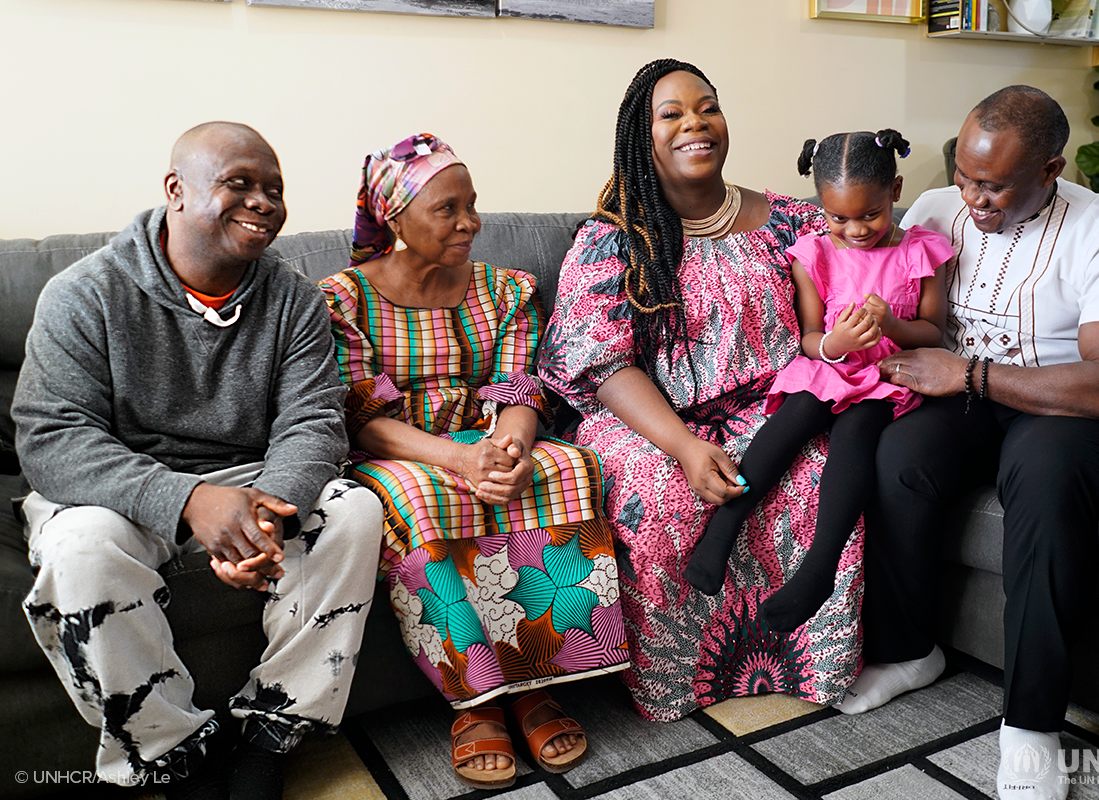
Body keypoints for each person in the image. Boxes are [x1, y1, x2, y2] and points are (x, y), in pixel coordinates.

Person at [13, 122, 384, 800]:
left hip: (250, 479)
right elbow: (51, 437)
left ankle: (274, 728)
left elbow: (313, 421)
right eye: (239, 183)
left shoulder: (294, 298)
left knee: (353, 510)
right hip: (115, 490)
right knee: (80, 551)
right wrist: (190, 502)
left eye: (274, 190)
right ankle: (174, 752)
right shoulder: (84, 293)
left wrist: (266, 514)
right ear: (176, 191)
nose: (264, 202)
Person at [840, 87, 1099, 800]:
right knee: (899, 459)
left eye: (993, 186)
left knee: (1042, 480)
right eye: (964, 177)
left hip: (1071, 413)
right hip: (968, 396)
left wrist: (971, 373)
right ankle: (910, 650)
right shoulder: (932, 210)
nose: (972, 199)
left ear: (1051, 169)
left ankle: (1032, 725)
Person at [538, 58, 863, 722]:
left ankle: (809, 665)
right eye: (673, 113)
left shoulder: (795, 223)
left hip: (778, 405)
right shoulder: (616, 238)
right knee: (662, 494)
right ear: (642, 135)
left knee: (825, 473)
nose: (696, 123)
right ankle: (676, 683)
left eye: (708, 106)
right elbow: (601, 366)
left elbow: (863, 270)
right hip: (651, 417)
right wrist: (685, 446)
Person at [320, 134, 628, 790]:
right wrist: (463, 460)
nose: (470, 222)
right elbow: (365, 420)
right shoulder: (342, 300)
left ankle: (538, 680)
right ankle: (480, 701)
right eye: (447, 208)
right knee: (418, 496)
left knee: (564, 467)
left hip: (487, 439)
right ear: (394, 217)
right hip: (400, 450)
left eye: (473, 204)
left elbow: (520, 390)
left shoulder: (504, 289)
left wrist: (510, 448)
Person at [685, 129, 952, 635]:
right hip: (830, 366)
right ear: (821, 206)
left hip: (886, 376)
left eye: (870, 215)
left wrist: (891, 326)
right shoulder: (814, 253)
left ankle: (819, 569)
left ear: (895, 191)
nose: (854, 230)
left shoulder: (921, 252)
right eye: (838, 217)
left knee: (857, 433)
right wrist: (837, 344)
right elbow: (809, 337)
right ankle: (722, 531)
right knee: (794, 419)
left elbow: (934, 333)